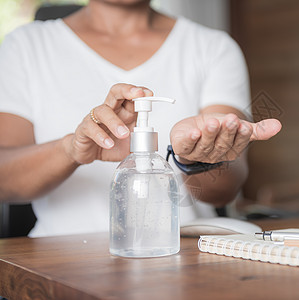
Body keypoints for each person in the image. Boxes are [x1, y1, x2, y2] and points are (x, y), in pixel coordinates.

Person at [0, 0, 281, 237]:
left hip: (183, 259)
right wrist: (70, 149)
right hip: (56, 262)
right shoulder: (24, 47)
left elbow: (226, 187)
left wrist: (193, 159)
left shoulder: (213, 48)